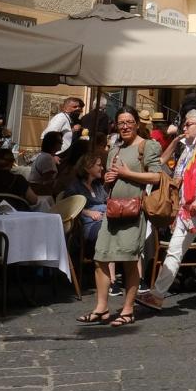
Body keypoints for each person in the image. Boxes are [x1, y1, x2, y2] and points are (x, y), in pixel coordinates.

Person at [136, 108, 196, 317]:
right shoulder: (192, 146)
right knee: (175, 250)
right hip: (188, 208)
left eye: (188, 124)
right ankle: (157, 294)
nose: (184, 127)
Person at [77, 110, 162, 326]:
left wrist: (127, 174)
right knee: (101, 257)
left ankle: (127, 309)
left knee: (129, 260)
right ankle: (101, 308)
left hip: (135, 210)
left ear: (137, 124)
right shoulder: (114, 149)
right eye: (121, 123)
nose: (125, 127)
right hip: (113, 209)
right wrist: (108, 179)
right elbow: (111, 180)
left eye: (129, 122)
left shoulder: (147, 146)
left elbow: (157, 176)